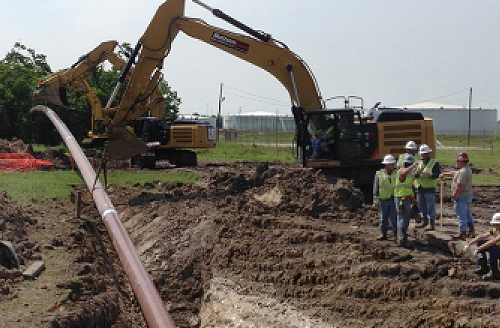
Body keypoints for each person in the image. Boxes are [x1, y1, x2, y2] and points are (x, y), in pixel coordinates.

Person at [439, 152, 473, 240]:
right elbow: (455, 173)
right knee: (468, 213)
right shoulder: (466, 169)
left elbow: (459, 186)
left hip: (462, 196)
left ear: (462, 161)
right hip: (467, 195)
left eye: (458, 161)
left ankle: (462, 233)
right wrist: (445, 174)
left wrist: (454, 196)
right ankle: (471, 230)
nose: (457, 162)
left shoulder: (462, 172)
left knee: (461, 214)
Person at [414, 144, 441, 230]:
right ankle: (424, 221)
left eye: (425, 153)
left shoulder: (434, 163)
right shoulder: (419, 163)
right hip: (420, 187)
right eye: (422, 154)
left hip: (429, 188)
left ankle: (432, 223)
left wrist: (430, 175)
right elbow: (414, 175)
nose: (424, 155)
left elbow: (437, 174)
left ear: (429, 153)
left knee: (430, 206)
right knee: (422, 205)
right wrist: (416, 174)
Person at [466, 213, 500, 280]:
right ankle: (483, 268)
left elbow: (493, 241)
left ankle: (494, 272)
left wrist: (479, 249)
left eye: (496, 224)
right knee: (481, 242)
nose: (494, 226)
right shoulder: (495, 230)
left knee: (493, 248)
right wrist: (470, 243)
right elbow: (482, 236)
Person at [373, 154, 398, 241]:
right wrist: (375, 199)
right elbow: (376, 187)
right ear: (386, 165)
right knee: (383, 218)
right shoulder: (379, 174)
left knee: (394, 219)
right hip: (383, 200)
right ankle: (383, 234)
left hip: (394, 199)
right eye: (391, 164)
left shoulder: (396, 174)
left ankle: (396, 236)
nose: (393, 166)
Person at [394, 154, 417, 247]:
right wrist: (414, 165)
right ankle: (401, 239)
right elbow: (403, 173)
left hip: (406, 199)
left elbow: (409, 187)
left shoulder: (409, 175)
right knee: (401, 219)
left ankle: (403, 237)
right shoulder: (401, 171)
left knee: (405, 219)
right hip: (400, 199)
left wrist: (413, 199)